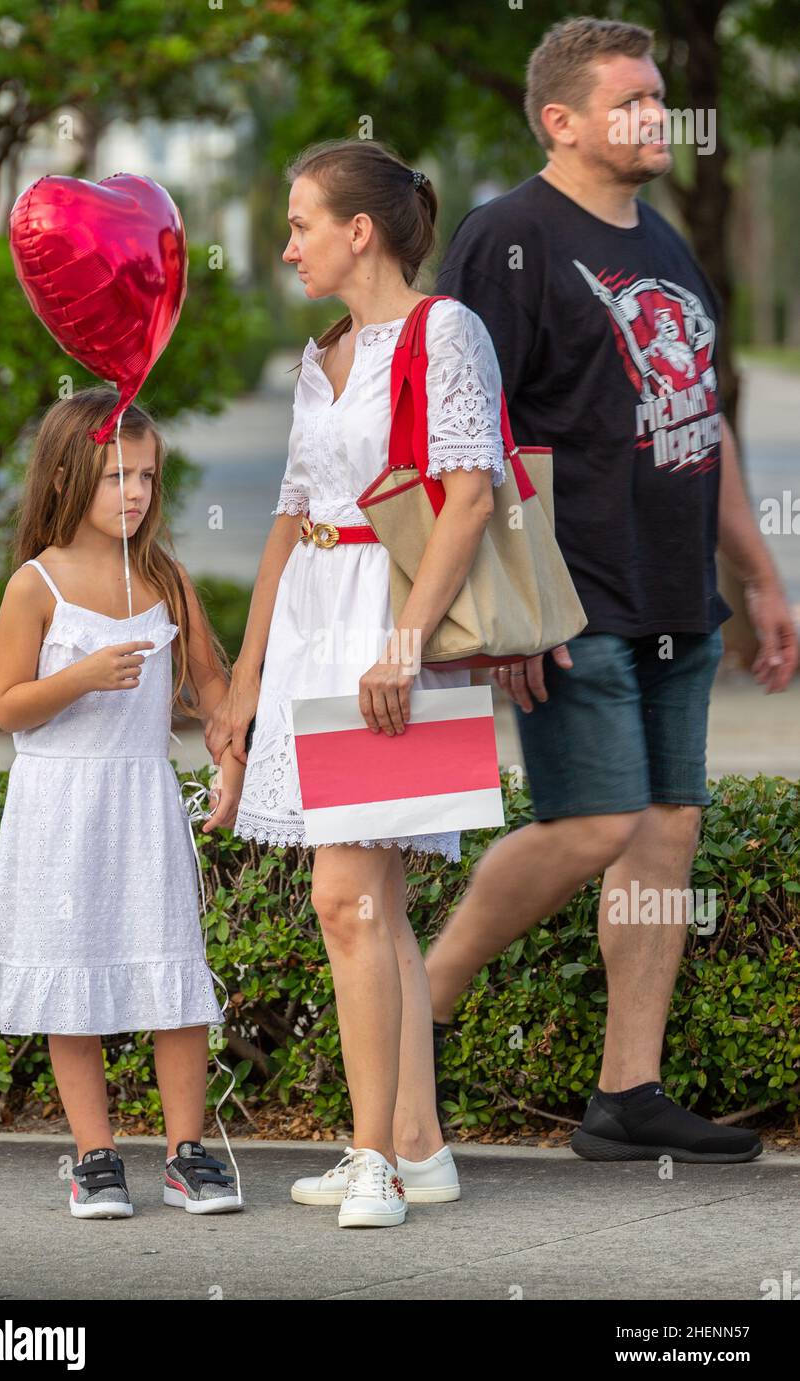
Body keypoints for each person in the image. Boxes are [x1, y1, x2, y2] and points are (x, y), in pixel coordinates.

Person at [426, 16, 798, 1162]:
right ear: (561, 120)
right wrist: (497, 610)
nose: (655, 120)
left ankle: (624, 1091)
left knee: (666, 830)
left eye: (655, 101)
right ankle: (417, 1004)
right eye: (630, 103)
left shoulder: (666, 243)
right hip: (569, 594)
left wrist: (760, 573)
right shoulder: (507, 238)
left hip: (676, 592)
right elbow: (463, 431)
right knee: (591, 825)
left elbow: (701, 424)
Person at [202, 137, 508, 1227]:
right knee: (367, 901)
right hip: (312, 626)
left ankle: (370, 1157)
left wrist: (407, 643)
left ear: (358, 230)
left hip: (391, 626)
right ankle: (416, 1148)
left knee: (344, 899)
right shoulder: (318, 354)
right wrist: (244, 677)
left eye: (298, 224)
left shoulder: (446, 330)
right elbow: (289, 517)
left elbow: (469, 496)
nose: (287, 246)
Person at [0, 387, 246, 1216]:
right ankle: (95, 1157)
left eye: (148, 477)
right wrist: (82, 676)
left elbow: (210, 684)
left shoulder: (163, 575)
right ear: (64, 478)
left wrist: (227, 748)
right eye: (114, 475)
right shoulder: (35, 584)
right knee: (70, 980)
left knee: (173, 978)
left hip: (141, 803)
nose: (134, 493)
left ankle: (188, 1152)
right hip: (58, 810)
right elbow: (8, 705)